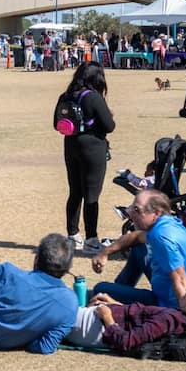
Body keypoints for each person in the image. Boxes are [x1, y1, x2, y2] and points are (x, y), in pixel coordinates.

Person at [89, 190, 186, 314]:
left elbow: (180, 278)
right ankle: (120, 290)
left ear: (156, 213)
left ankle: (115, 303)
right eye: (132, 208)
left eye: (137, 210)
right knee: (140, 248)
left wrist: (185, 311)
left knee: (100, 289)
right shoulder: (169, 224)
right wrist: (104, 252)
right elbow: (136, 237)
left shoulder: (160, 236)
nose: (131, 214)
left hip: (171, 305)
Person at [63, 284, 186, 352]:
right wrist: (116, 305)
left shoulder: (169, 320)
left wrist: (107, 317)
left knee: (56, 302)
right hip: (99, 321)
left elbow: (127, 341)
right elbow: (139, 318)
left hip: (96, 328)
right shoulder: (181, 317)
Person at [60, 62, 116, 253]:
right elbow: (109, 126)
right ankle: (91, 239)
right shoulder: (93, 97)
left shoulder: (66, 96)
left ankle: (73, 235)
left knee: (75, 191)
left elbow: (56, 123)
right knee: (91, 194)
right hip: (92, 148)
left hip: (71, 145)